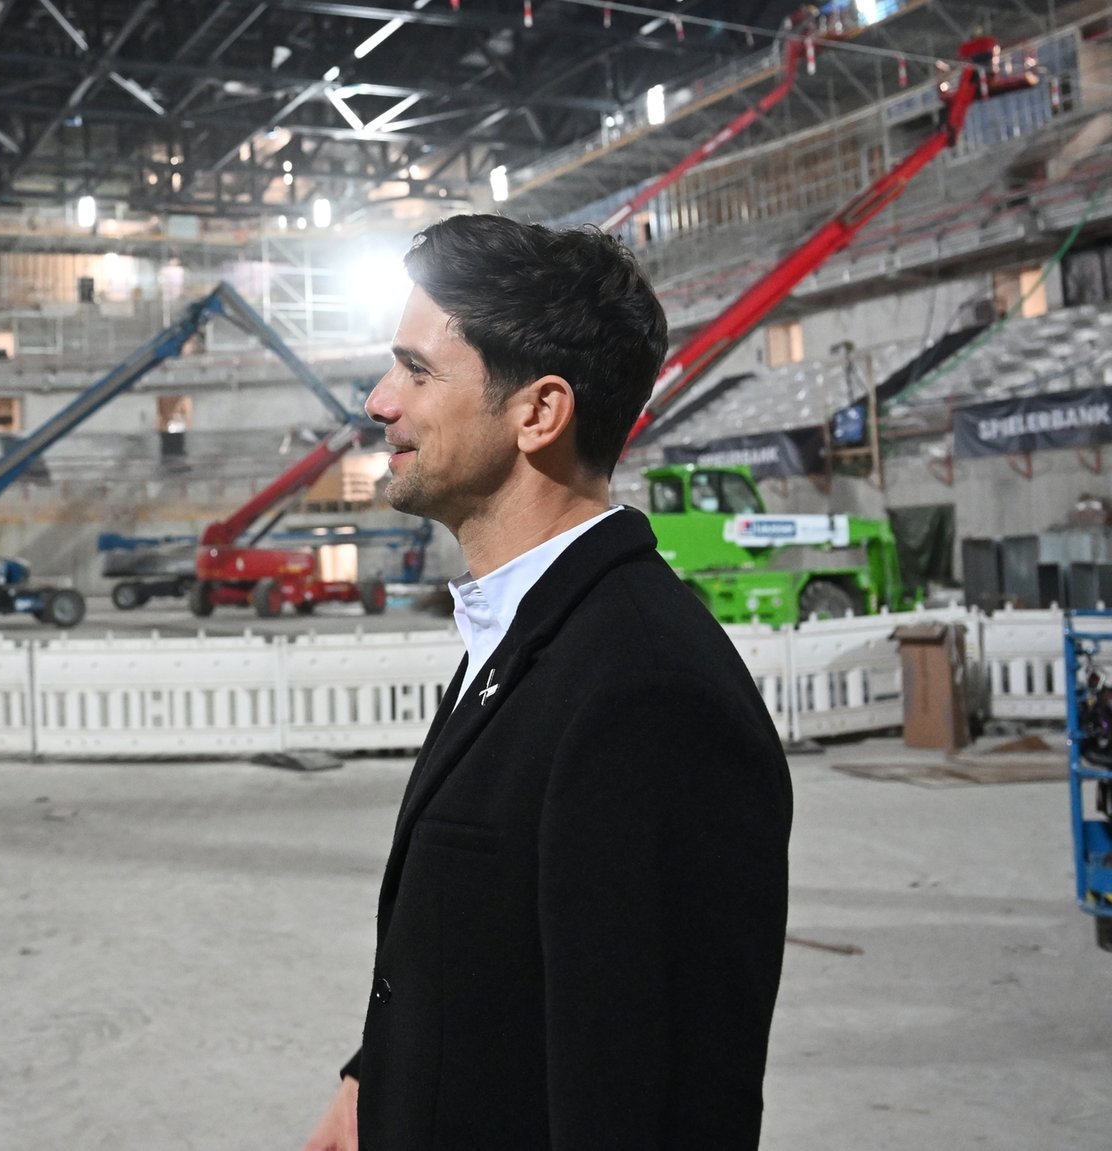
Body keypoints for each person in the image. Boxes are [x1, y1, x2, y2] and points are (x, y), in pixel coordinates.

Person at [302, 215, 791, 1151]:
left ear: (539, 412)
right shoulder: (527, 634)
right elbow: (490, 953)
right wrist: (377, 1079)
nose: (378, 400)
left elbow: (650, 1102)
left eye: (416, 369)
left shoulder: (645, 696)